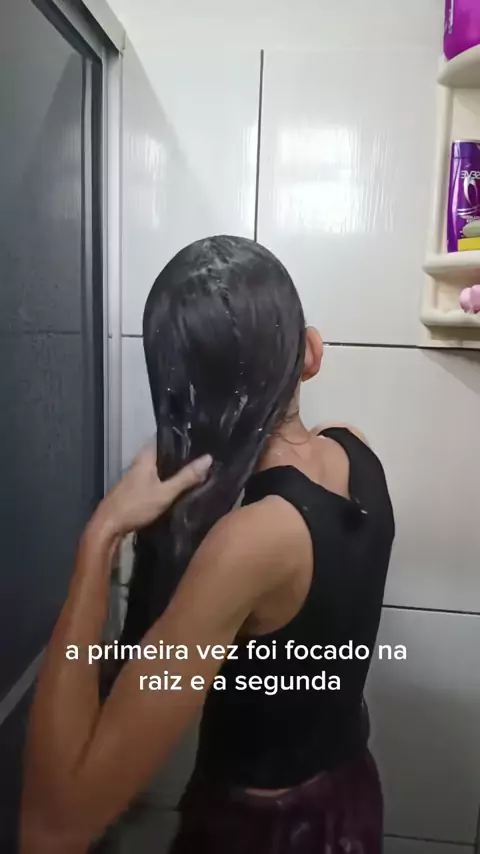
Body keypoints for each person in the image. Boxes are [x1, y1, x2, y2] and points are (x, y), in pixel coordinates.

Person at [21, 236, 395, 854]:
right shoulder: (357, 451)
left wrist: (101, 537)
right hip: (353, 799)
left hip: (266, 834)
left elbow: (54, 828)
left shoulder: (251, 543)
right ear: (310, 352)